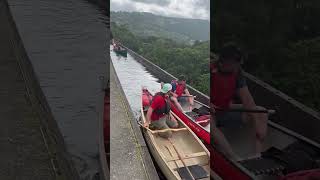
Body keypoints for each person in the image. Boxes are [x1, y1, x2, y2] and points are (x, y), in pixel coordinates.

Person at [211, 42, 268, 159]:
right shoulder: (210, 69)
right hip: (211, 111)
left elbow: (247, 98)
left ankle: (257, 155)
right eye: (238, 61)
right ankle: (235, 159)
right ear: (228, 61)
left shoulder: (237, 73)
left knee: (261, 112)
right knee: (210, 124)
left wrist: (257, 123)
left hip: (226, 108)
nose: (240, 64)